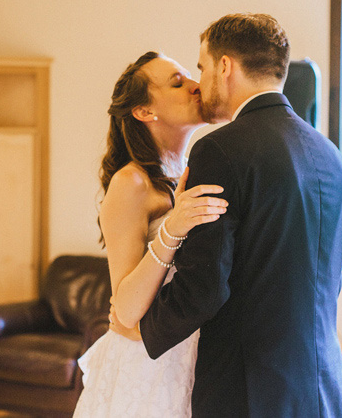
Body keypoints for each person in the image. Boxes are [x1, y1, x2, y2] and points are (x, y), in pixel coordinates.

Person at [138, 13, 342, 417]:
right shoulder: (336, 162)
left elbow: (205, 287)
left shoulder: (220, 151)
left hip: (247, 393)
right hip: (325, 391)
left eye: (202, 67)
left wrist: (141, 328)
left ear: (225, 67)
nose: (200, 82)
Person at [73, 51, 229, 417]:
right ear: (145, 112)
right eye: (177, 82)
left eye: (192, 76)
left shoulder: (193, 173)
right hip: (146, 364)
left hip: (192, 354)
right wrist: (172, 228)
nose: (195, 87)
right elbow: (125, 309)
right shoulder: (132, 183)